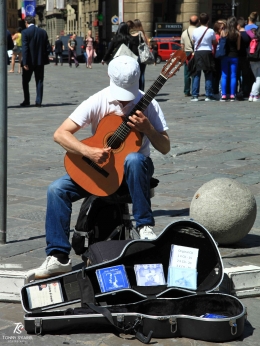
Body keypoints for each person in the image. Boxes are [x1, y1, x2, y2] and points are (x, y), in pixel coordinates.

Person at [27, 55, 170, 280]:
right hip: (101, 172)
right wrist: (89, 152)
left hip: (134, 175)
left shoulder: (149, 104)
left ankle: (144, 227)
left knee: (133, 159)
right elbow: (60, 134)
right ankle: (58, 257)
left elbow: (165, 147)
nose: (124, 102)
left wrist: (149, 129)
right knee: (56, 190)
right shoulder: (98, 100)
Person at [20, 16, 51, 107]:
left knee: (25, 81)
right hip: (40, 61)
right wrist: (43, 57)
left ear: (26, 22)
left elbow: (25, 48)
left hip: (29, 62)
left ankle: (27, 100)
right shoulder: (43, 32)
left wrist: (24, 62)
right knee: (39, 81)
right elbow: (47, 48)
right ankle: (38, 101)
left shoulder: (25, 32)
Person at [191, 13, 217, 101]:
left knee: (196, 74)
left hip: (198, 52)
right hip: (207, 52)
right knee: (208, 74)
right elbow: (214, 42)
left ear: (199, 21)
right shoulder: (210, 31)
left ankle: (195, 95)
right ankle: (208, 95)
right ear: (208, 21)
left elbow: (193, 41)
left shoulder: (195, 31)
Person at [219, 17, 241, 101]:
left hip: (225, 55)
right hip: (234, 56)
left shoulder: (223, 32)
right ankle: (232, 94)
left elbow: (221, 44)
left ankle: (224, 94)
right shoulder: (238, 33)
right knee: (233, 75)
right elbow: (238, 47)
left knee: (224, 75)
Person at [181, 15, 199, 97]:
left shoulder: (184, 32)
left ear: (189, 22)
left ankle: (186, 91)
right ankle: (195, 91)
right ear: (198, 22)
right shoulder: (198, 31)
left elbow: (182, 46)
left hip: (187, 53)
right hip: (196, 53)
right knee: (195, 73)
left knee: (187, 74)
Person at [128, 19, 149, 91]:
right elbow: (146, 44)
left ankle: (136, 90)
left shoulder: (130, 35)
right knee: (142, 74)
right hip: (142, 56)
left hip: (134, 57)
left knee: (136, 75)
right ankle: (141, 90)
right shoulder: (141, 33)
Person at [236, 17, 251, 100]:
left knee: (237, 75)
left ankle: (236, 91)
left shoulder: (237, 34)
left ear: (238, 25)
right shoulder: (248, 33)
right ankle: (245, 91)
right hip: (246, 56)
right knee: (245, 75)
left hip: (237, 56)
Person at [212, 20, 226, 96]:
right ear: (218, 29)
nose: (223, 29)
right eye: (222, 28)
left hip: (217, 57)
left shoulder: (218, 35)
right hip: (216, 57)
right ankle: (215, 90)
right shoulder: (217, 36)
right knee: (217, 75)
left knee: (217, 75)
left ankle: (215, 89)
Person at [247, 26, 260, 102]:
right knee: (259, 79)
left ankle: (252, 95)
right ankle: (255, 95)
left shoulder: (253, 39)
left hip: (251, 60)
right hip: (258, 60)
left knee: (257, 78)